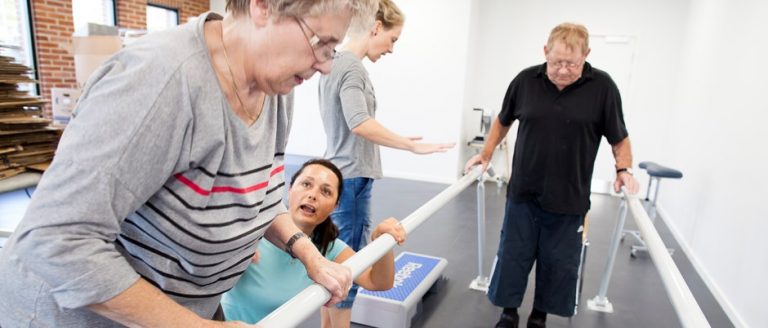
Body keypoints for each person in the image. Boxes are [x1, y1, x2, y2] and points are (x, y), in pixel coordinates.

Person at [0, 0, 379, 326]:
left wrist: (310, 255)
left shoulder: (273, 82)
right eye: (321, 44)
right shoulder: (160, 80)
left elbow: (263, 194)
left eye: (332, 50)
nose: (326, 65)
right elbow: (55, 240)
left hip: (185, 306)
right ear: (263, 6)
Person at [464, 23, 640, 328]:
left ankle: (539, 316)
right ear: (545, 52)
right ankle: (508, 312)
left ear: (587, 55)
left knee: (557, 263)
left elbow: (619, 137)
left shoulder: (603, 88)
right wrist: (486, 153)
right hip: (524, 192)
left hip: (569, 198)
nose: (562, 70)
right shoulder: (525, 81)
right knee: (513, 256)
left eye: (572, 64)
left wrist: (623, 169)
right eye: (556, 62)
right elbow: (503, 121)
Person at [317, 0, 454, 318]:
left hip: (342, 173)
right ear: (376, 27)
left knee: (335, 265)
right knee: (348, 273)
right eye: (392, 39)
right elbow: (359, 122)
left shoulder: (336, 62)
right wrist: (409, 145)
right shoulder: (351, 66)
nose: (391, 49)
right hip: (350, 178)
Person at [221, 159, 406, 326]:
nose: (313, 195)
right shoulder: (254, 231)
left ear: (336, 205)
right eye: (306, 184)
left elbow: (378, 282)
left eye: (326, 191)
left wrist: (384, 241)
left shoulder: (329, 249)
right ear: (290, 188)